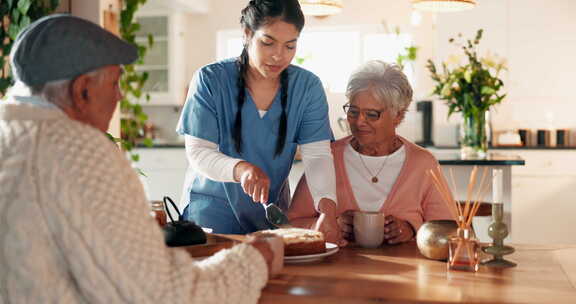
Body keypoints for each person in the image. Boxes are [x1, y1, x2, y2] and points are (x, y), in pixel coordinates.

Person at [0, 14, 281, 303]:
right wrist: (256, 258)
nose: (120, 96)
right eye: (114, 83)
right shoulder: (76, 150)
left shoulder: (10, 135)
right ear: (82, 90)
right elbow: (164, 294)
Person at [177, 0, 343, 244]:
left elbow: (317, 154)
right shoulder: (210, 80)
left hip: (271, 215)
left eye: (290, 46)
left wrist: (327, 209)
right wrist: (242, 169)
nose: (279, 55)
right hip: (211, 215)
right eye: (268, 42)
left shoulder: (307, 87)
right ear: (247, 34)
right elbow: (199, 153)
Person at [288, 61, 454, 244]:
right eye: (353, 111)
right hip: (338, 271)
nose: (359, 122)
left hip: (407, 271)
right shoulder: (327, 157)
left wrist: (412, 230)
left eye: (371, 114)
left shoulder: (422, 163)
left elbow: (449, 229)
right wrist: (329, 224)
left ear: (398, 115)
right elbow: (291, 224)